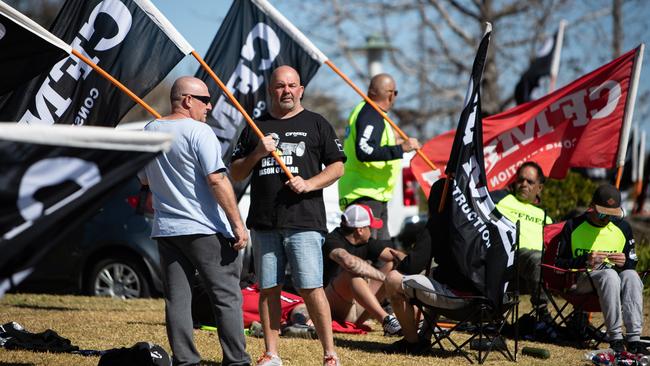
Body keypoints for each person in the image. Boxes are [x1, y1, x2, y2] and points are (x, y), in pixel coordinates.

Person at [230, 65, 346, 366]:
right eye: (280, 86)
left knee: (310, 287)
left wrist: (308, 184)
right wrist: (257, 153)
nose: (287, 91)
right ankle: (271, 354)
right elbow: (235, 172)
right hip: (265, 222)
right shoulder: (255, 126)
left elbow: (337, 167)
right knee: (269, 287)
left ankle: (329, 354)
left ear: (301, 89)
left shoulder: (317, 123)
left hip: (304, 220)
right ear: (271, 89)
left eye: (292, 85)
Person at [138, 76, 250, 366]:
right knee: (226, 297)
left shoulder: (149, 129)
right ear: (187, 100)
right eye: (205, 100)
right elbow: (217, 179)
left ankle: (186, 361)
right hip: (204, 229)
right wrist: (237, 223)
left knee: (178, 300)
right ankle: (237, 361)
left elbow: (144, 180)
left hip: (166, 229)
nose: (210, 106)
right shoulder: (200, 132)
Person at [383, 179, 475, 354]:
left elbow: (411, 267)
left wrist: (404, 259)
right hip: (487, 304)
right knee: (434, 275)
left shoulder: (438, 223)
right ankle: (424, 336)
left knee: (393, 279)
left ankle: (412, 343)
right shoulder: (480, 225)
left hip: (458, 301)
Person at [555, 184, 648, 354]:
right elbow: (559, 264)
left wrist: (624, 262)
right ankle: (615, 338)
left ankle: (634, 338)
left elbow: (632, 263)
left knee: (631, 275)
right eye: (602, 212)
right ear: (591, 206)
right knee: (609, 275)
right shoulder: (573, 225)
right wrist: (586, 260)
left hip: (612, 283)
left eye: (611, 215)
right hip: (580, 282)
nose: (605, 218)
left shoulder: (623, 228)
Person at [337, 73, 421, 240]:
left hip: (373, 194)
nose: (395, 97)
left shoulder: (367, 112)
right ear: (390, 94)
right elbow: (364, 149)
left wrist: (395, 142)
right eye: (395, 93)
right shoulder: (371, 113)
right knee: (371, 255)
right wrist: (400, 149)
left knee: (384, 255)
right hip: (365, 194)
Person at [323, 204, 403, 336]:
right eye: (370, 227)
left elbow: (394, 255)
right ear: (360, 230)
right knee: (352, 273)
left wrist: (410, 260)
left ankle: (416, 319)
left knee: (391, 266)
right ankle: (387, 320)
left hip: (357, 310)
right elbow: (348, 262)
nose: (372, 231)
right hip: (331, 306)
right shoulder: (332, 240)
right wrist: (386, 279)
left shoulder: (366, 242)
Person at [492, 162, 553, 320]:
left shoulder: (545, 216)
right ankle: (543, 314)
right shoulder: (501, 202)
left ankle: (579, 322)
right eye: (521, 180)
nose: (524, 184)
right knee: (537, 258)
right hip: (512, 258)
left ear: (539, 188)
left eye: (530, 182)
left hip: (542, 266)